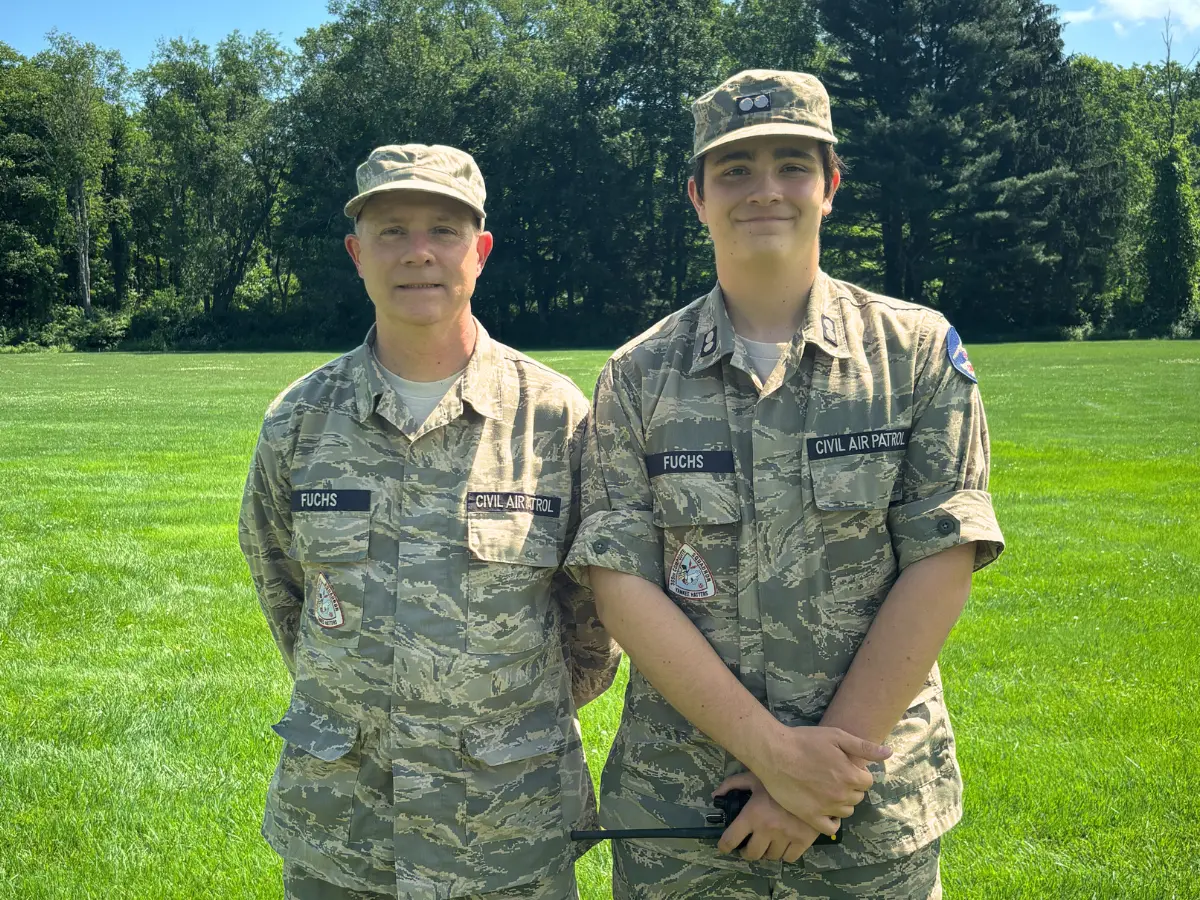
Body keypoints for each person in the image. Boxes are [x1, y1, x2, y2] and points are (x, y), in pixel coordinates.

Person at [566, 70, 1005, 898]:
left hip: (865, 806)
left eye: (792, 166)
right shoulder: (638, 374)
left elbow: (943, 561)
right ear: (698, 197)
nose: (764, 189)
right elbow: (621, 582)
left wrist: (817, 782)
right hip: (684, 815)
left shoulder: (914, 353)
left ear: (831, 187)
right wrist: (774, 754)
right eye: (735, 169)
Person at [238, 143, 620, 900]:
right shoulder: (299, 420)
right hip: (345, 824)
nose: (419, 252)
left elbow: (594, 619)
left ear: (480, 251)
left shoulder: (555, 417)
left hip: (508, 827)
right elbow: (284, 592)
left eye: (444, 230)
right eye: (392, 231)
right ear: (357, 254)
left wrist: (495, 724)